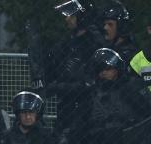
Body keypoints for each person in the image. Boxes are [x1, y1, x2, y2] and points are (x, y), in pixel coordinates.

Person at [34, 1, 105, 136]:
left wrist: (57, 86)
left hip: (88, 107)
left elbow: (89, 82)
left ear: (82, 18)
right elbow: (55, 71)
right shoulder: (66, 43)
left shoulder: (94, 44)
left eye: (71, 16)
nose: (66, 19)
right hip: (66, 105)